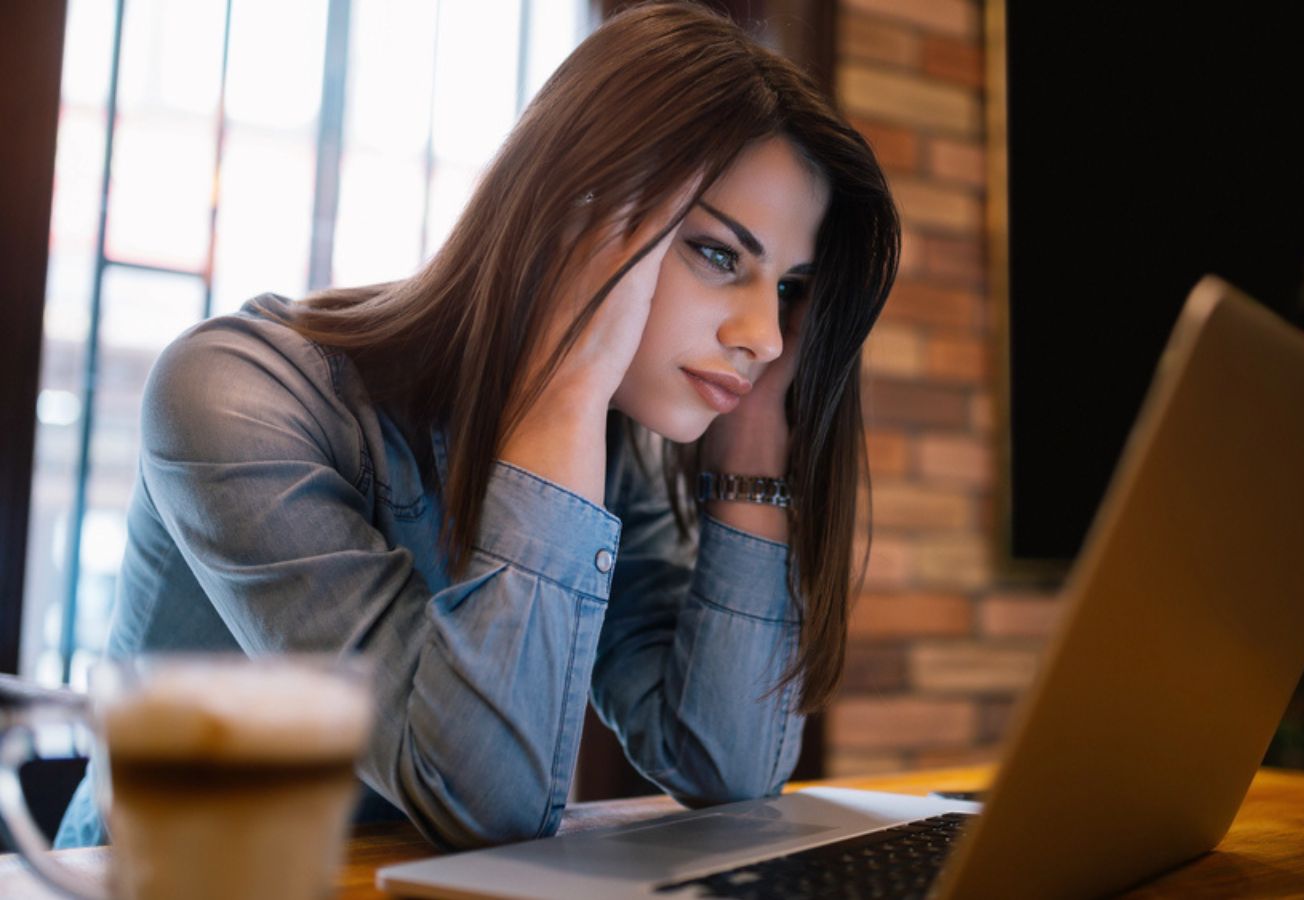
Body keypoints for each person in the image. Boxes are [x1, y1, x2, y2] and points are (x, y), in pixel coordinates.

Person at [54, 0, 898, 850]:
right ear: (576, 215)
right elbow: (481, 802)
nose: (764, 335)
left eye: (790, 288)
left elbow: (730, 768)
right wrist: (562, 393)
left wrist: (755, 438)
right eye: (720, 255)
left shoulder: (612, 451)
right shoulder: (235, 393)